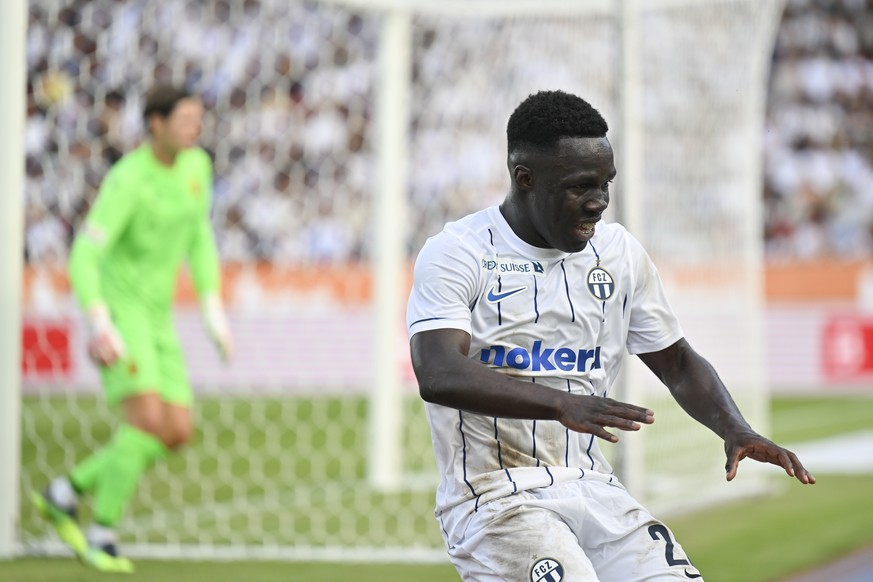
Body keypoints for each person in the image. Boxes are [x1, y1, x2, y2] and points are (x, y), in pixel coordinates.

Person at [406, 90, 815, 582]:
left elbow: (678, 363)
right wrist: (560, 403)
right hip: (495, 500)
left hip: (594, 486)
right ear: (525, 178)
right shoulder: (458, 252)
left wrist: (735, 427)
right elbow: (438, 371)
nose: (599, 201)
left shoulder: (619, 253)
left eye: (606, 184)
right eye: (581, 186)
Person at [32, 85, 233, 574]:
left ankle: (62, 493)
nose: (194, 128)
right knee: (145, 421)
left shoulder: (196, 168)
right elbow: (85, 253)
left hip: (159, 316)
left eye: (197, 119)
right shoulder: (128, 180)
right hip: (122, 314)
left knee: (178, 431)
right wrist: (98, 320)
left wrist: (210, 302)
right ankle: (102, 532)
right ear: (155, 125)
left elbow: (199, 236)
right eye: (184, 119)